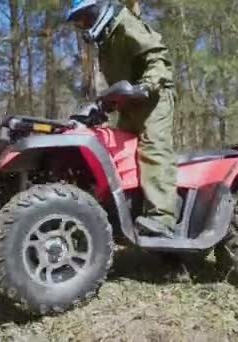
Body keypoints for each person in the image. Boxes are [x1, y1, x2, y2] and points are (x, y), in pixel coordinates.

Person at [67, 0, 177, 238]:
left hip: (153, 97)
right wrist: (104, 105)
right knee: (122, 151)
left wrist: (147, 86)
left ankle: (163, 218)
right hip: (130, 101)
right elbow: (120, 81)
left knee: (152, 149)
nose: (83, 25)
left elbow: (157, 58)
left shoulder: (125, 24)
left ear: (97, 9)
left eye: (85, 18)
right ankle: (130, 211)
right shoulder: (106, 40)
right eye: (79, 22)